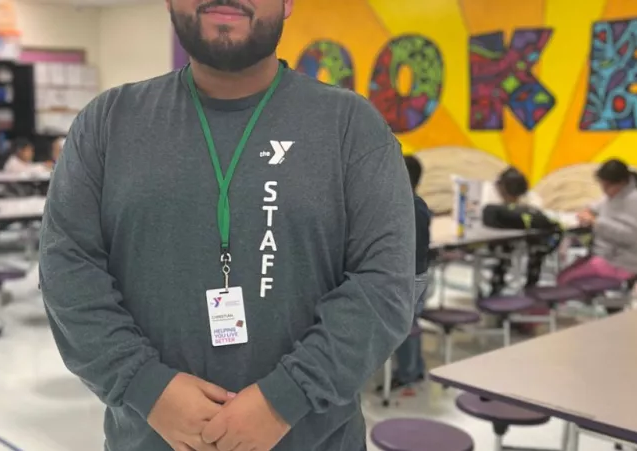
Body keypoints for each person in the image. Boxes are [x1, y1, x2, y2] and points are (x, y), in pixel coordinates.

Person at [38, 1, 416, 451]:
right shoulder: (106, 124)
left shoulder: (352, 128)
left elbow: (385, 286)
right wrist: (146, 385)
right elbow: (67, 272)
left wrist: (284, 398)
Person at [558, 159, 637, 285]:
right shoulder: (614, 195)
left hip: (621, 263)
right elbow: (595, 207)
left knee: (565, 279)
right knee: (563, 275)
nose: (604, 190)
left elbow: (630, 236)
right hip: (605, 256)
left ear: (622, 183)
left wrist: (596, 222)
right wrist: (587, 212)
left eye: (607, 186)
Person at [482, 167, 561, 296]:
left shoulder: (530, 199)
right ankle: (503, 286)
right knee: (505, 248)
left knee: (533, 246)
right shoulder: (492, 195)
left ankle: (525, 288)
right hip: (507, 240)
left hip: (524, 240)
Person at [387, 156, 431, 389]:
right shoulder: (418, 205)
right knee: (411, 321)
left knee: (404, 325)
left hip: (409, 276)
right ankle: (415, 367)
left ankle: (407, 373)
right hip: (419, 273)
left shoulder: (405, 207)